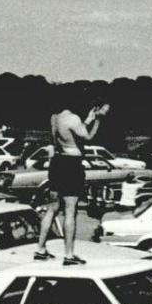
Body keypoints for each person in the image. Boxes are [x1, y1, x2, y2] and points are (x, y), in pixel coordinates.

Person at [36, 102, 108, 264]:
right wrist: (97, 120)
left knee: (51, 209)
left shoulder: (55, 118)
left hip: (57, 163)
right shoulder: (73, 118)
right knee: (70, 211)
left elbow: (74, 132)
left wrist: (88, 120)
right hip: (71, 165)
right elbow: (88, 137)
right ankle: (69, 255)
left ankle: (40, 249)